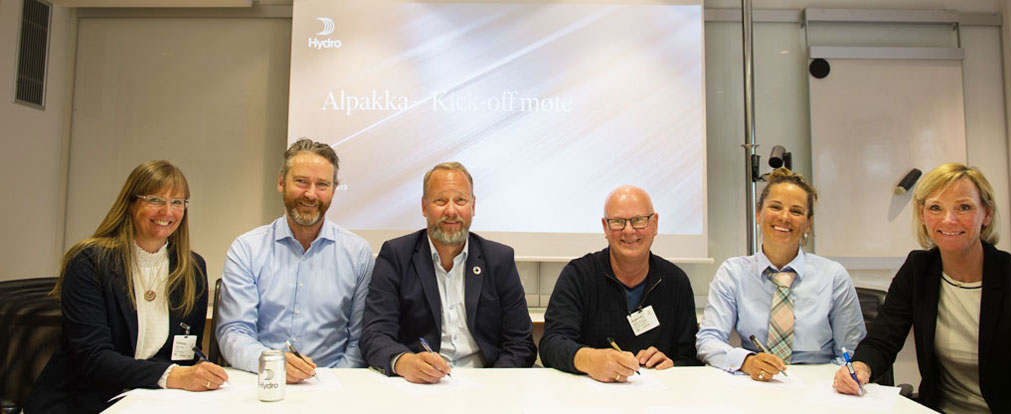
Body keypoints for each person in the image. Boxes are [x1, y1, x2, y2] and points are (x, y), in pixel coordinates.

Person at [25, 161, 227, 414]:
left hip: (149, 401)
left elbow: (184, 354)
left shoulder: (191, 268)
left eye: (177, 202)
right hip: (82, 401)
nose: (167, 211)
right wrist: (173, 376)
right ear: (130, 203)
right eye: (155, 200)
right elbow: (94, 358)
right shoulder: (90, 262)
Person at [834, 163, 1011, 413]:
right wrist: (861, 366)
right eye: (935, 208)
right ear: (922, 215)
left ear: (986, 214)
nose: (948, 220)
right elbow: (882, 340)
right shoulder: (918, 270)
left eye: (964, 207)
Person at [360, 162, 536, 383]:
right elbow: (374, 334)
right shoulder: (396, 255)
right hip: (419, 385)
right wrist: (403, 361)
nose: (451, 211)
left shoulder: (498, 259)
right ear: (424, 207)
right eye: (440, 201)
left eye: (460, 200)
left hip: (486, 381)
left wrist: (493, 383)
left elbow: (521, 343)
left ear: (472, 206)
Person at [217, 138, 374, 382]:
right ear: (281, 182)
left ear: (334, 189)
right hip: (261, 380)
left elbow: (359, 340)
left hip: (332, 386)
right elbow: (234, 332)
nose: (310, 194)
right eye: (301, 182)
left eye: (322, 184)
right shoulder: (247, 249)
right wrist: (273, 364)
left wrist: (333, 385)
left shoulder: (358, 253)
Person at [696, 168, 866, 381]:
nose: (784, 217)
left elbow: (852, 352)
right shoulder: (734, 273)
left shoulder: (833, 276)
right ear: (759, 214)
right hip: (757, 382)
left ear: (808, 223)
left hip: (820, 387)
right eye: (775, 207)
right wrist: (746, 361)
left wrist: (837, 381)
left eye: (796, 211)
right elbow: (708, 340)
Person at [539, 186, 700, 382]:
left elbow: (690, 358)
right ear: (605, 227)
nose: (629, 230)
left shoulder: (676, 282)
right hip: (590, 396)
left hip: (656, 397)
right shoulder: (579, 275)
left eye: (638, 220)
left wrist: (671, 364)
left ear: (655, 224)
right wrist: (589, 359)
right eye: (618, 222)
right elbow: (551, 344)